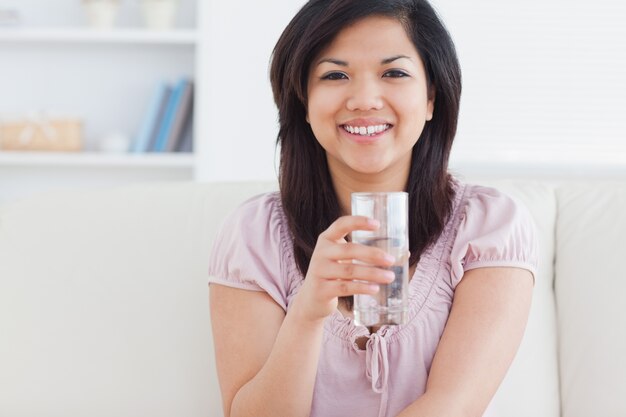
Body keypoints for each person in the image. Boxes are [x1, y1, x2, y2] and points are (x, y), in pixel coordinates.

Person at [208, 0, 537, 416]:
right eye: (335, 74)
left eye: (394, 73)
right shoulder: (253, 235)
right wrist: (307, 314)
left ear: (431, 96)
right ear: (304, 102)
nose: (364, 99)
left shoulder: (491, 228)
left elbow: (451, 408)